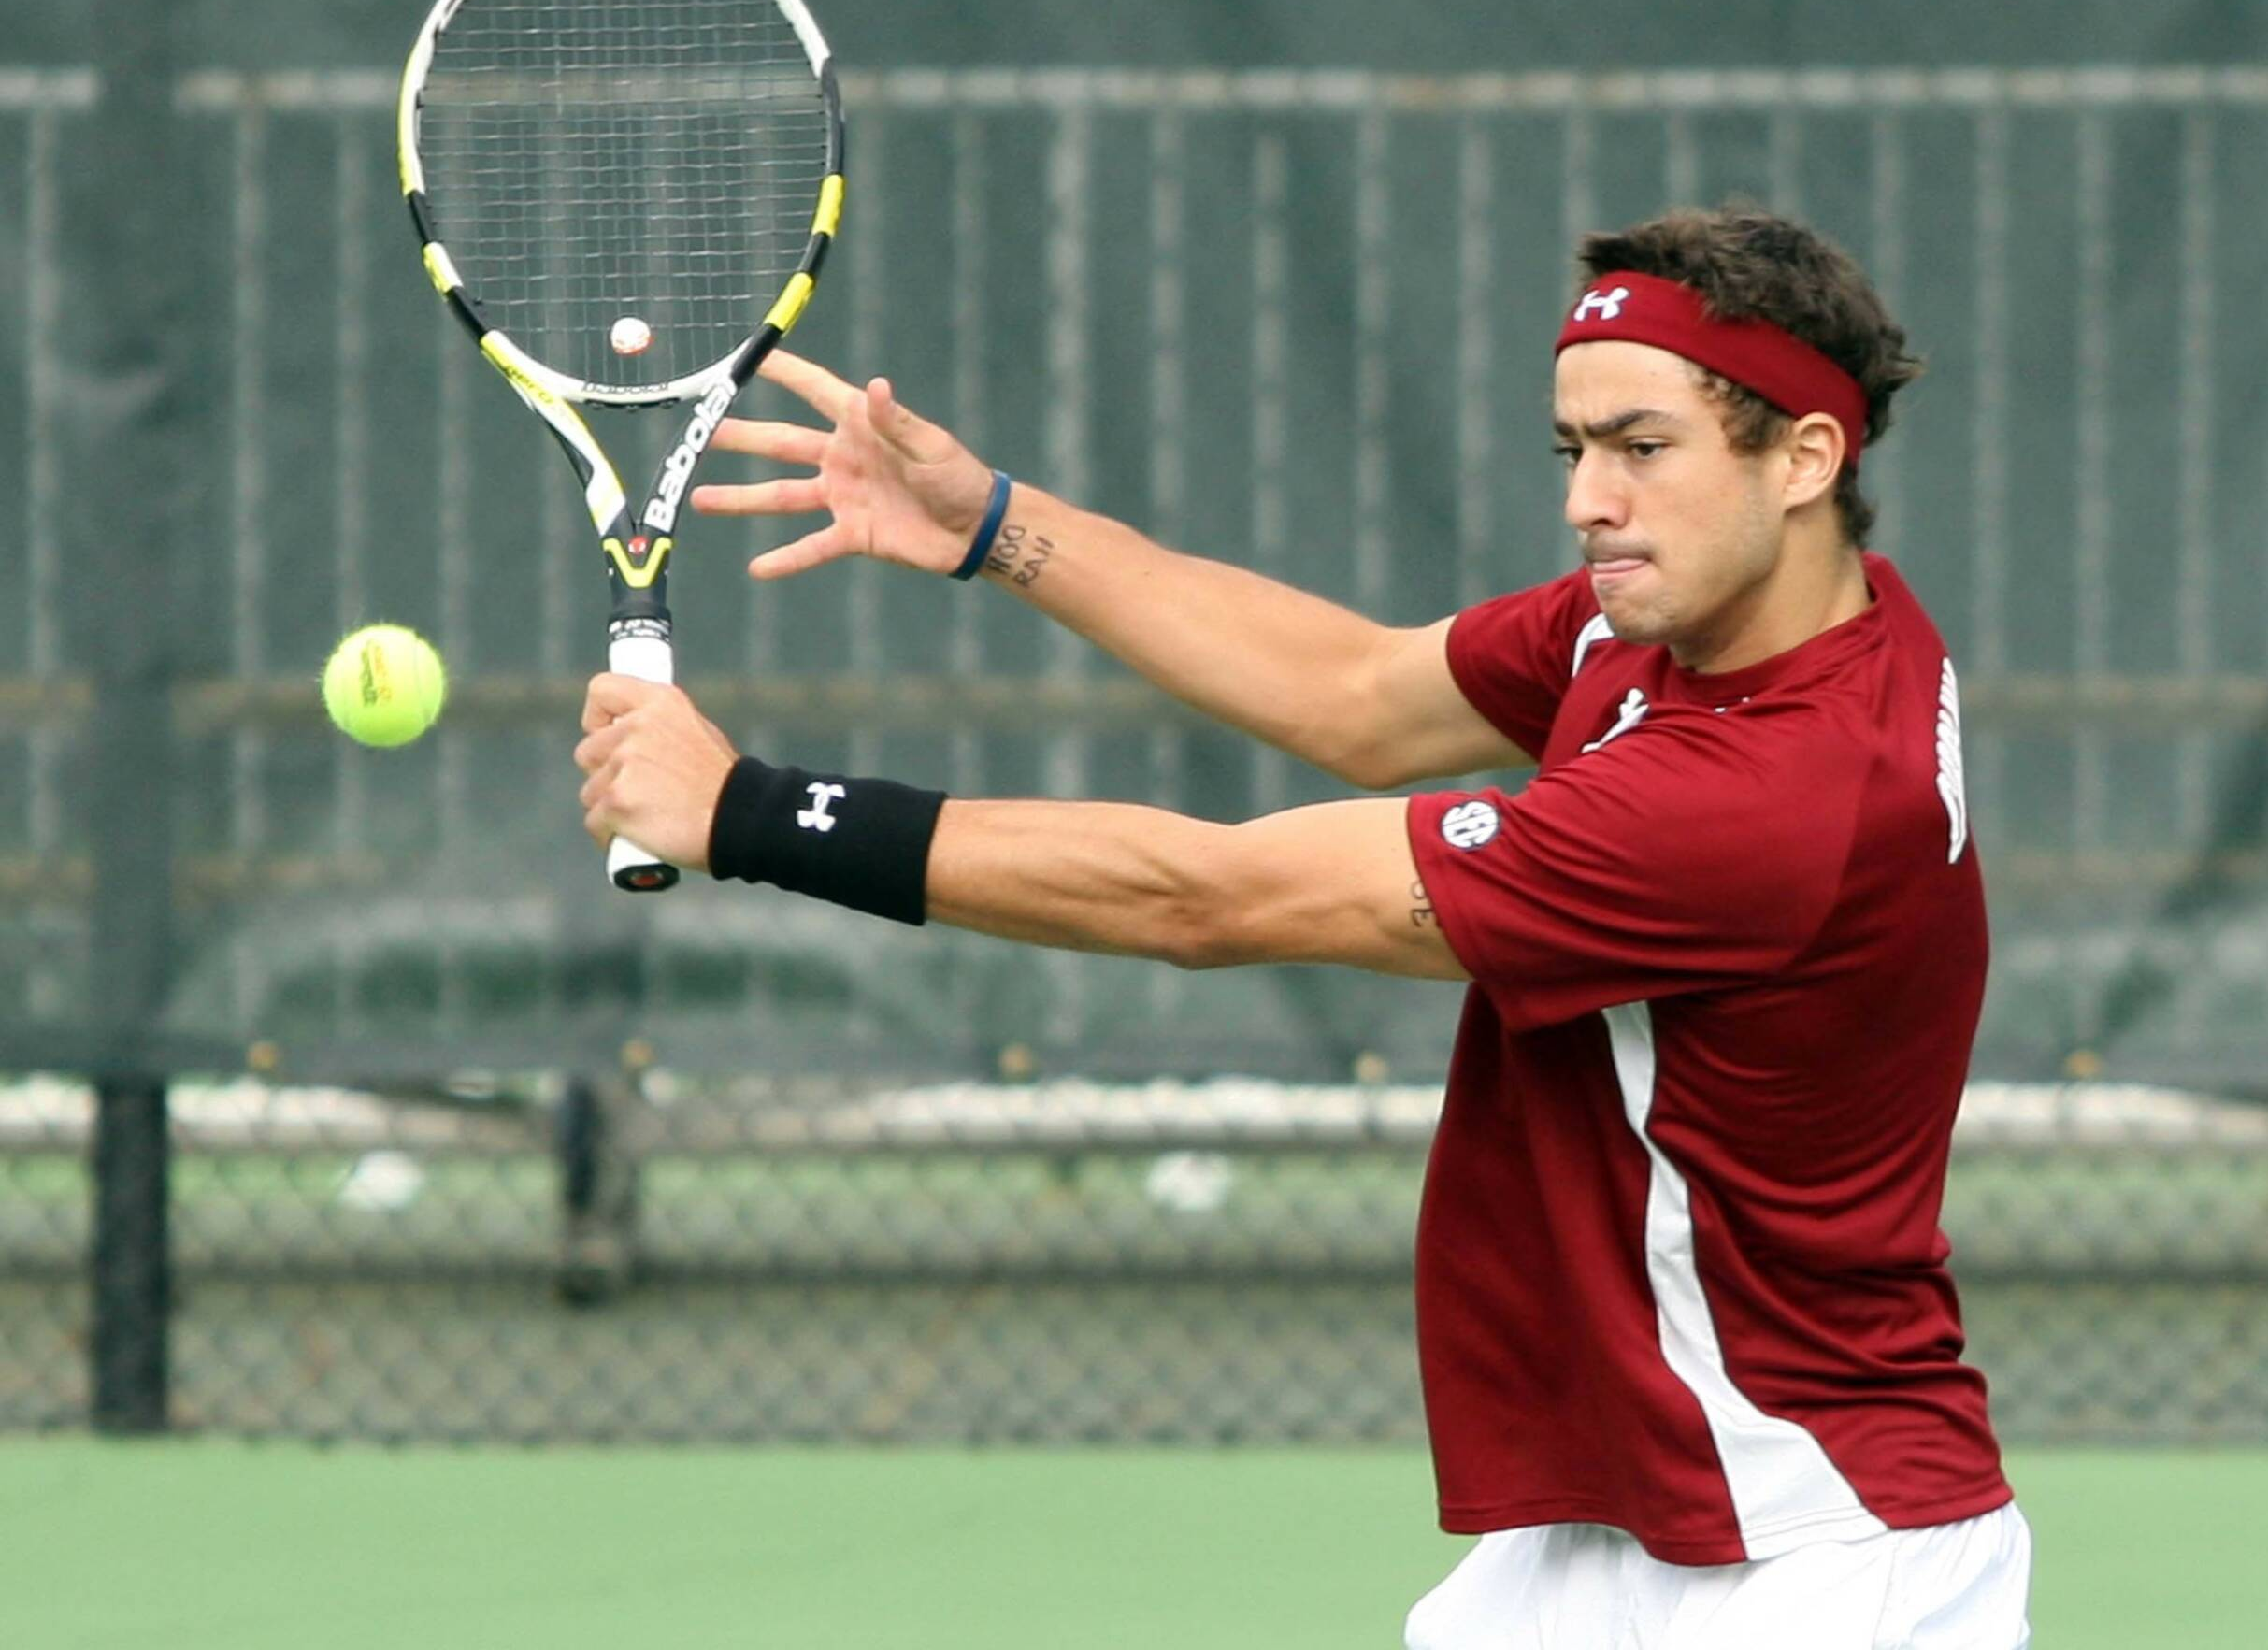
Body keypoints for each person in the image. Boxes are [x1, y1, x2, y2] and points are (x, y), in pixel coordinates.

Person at [573, 203, 2031, 1648]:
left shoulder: (1770, 797)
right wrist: (997, 531)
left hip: (1818, 1550)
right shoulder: (1732, 625)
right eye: (1574, 449)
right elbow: (1355, 695)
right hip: (1641, 1519)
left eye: (1644, 449)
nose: (1591, 498)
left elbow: (1204, 898)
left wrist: (753, 813)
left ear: (1807, 459)